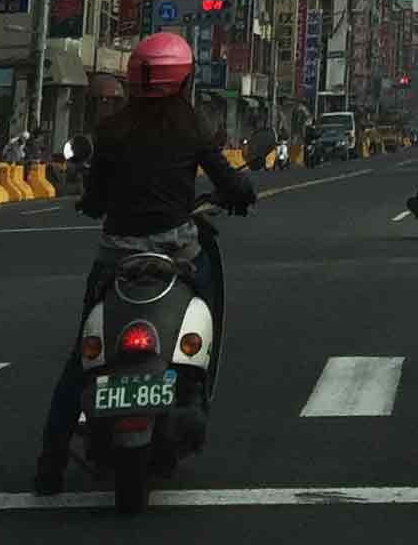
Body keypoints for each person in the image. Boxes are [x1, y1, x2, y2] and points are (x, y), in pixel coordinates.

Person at [33, 31, 255, 496]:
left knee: (82, 357)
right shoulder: (191, 127)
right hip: (178, 253)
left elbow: (95, 196)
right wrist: (240, 194)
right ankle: (196, 377)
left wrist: (92, 204)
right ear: (184, 81)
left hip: (116, 256)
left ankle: (50, 463)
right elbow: (229, 182)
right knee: (206, 308)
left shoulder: (113, 129)